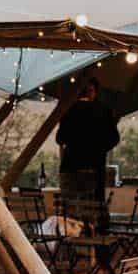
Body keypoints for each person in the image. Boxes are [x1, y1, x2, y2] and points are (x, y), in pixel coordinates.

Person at [56, 76, 120, 205]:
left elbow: (60, 138)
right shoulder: (104, 111)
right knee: (93, 207)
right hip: (94, 166)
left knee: (71, 207)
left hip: (71, 166)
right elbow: (114, 138)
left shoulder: (69, 111)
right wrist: (99, 149)